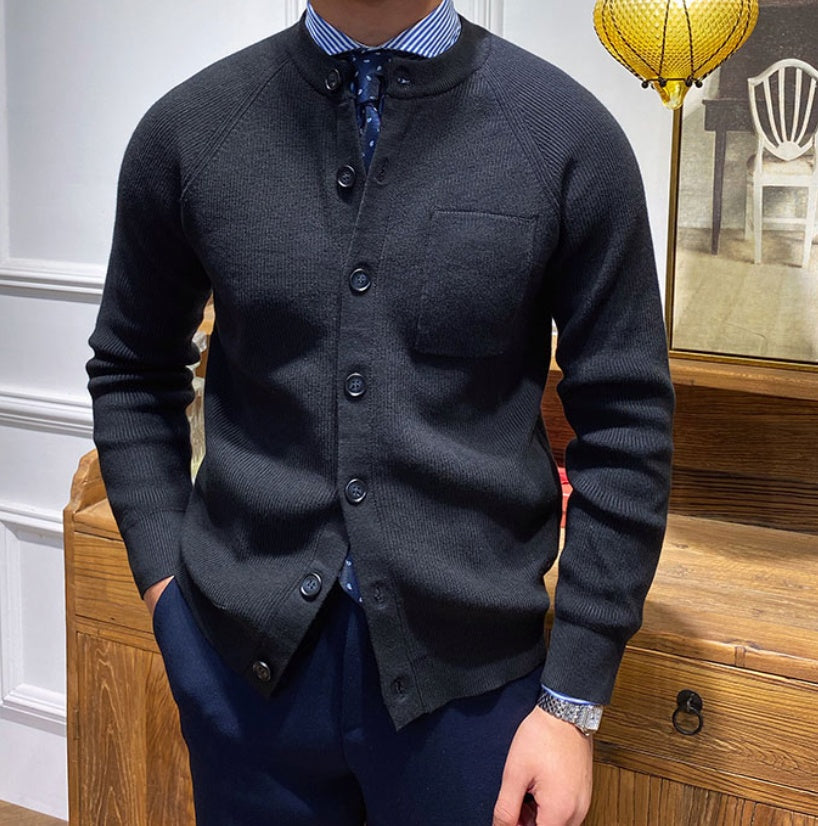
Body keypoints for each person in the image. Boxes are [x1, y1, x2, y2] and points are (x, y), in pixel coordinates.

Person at [86, 1, 675, 824]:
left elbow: (627, 421)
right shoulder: (191, 130)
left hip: (478, 705)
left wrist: (572, 702)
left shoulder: (566, 136)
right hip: (244, 687)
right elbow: (132, 370)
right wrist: (166, 601)